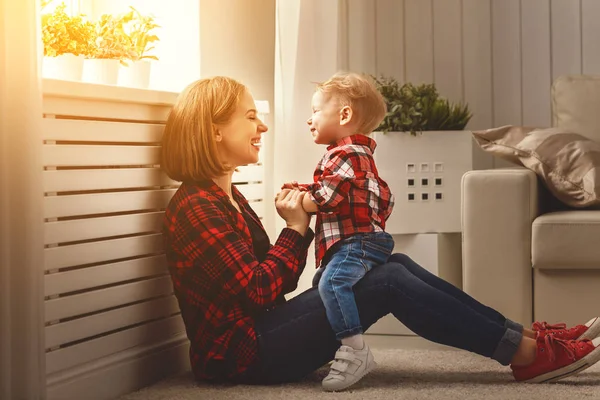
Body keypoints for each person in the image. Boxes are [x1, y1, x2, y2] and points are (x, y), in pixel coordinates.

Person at [160, 75, 600, 392]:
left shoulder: (230, 197)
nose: (263, 127)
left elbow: (275, 284)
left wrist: (298, 229)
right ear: (215, 129)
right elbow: (259, 290)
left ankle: (523, 338)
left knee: (393, 264)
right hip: (244, 354)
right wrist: (297, 229)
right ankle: (522, 354)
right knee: (386, 280)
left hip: (263, 332)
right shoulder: (196, 207)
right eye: (251, 117)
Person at [280, 72, 395, 390]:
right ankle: (336, 344)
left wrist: (298, 202)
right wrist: (304, 188)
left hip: (355, 242)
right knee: (324, 286)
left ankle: (355, 350)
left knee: (332, 284)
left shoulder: (344, 154)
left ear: (344, 115)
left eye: (316, 110)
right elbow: (342, 190)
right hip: (359, 240)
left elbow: (328, 197)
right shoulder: (356, 156)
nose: (309, 119)